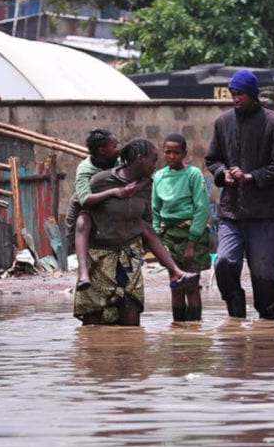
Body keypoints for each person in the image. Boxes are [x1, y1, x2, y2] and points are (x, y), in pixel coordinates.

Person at [74, 139, 196, 326]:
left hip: (128, 257)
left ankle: (175, 272)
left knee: (131, 319)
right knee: (93, 323)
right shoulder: (102, 181)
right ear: (140, 159)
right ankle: (83, 273)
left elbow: (147, 222)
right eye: (153, 161)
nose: (156, 166)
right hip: (99, 257)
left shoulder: (146, 186)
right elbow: (80, 211)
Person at [205, 69, 274, 320]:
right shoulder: (223, 123)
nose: (236, 98)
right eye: (233, 93)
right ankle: (235, 316)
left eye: (240, 93)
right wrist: (223, 173)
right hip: (232, 211)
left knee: (265, 274)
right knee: (225, 262)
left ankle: (266, 325)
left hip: (265, 213)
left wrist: (251, 176)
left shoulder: (273, 123)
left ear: (252, 94)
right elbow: (212, 159)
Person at [65, 129, 137, 291]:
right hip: (89, 206)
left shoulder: (120, 162)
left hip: (113, 207)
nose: (119, 147)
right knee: (82, 223)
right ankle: (84, 272)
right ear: (102, 150)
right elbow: (84, 199)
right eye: (114, 145)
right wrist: (113, 192)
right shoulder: (86, 168)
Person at [152, 133, 212, 322]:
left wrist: (191, 243)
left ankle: (194, 332)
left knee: (192, 285)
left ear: (184, 154)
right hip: (168, 236)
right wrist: (157, 241)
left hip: (191, 235)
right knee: (176, 285)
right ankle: (177, 330)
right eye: (167, 152)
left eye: (176, 153)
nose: (171, 156)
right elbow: (155, 210)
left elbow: (202, 208)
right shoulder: (158, 177)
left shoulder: (193, 174)